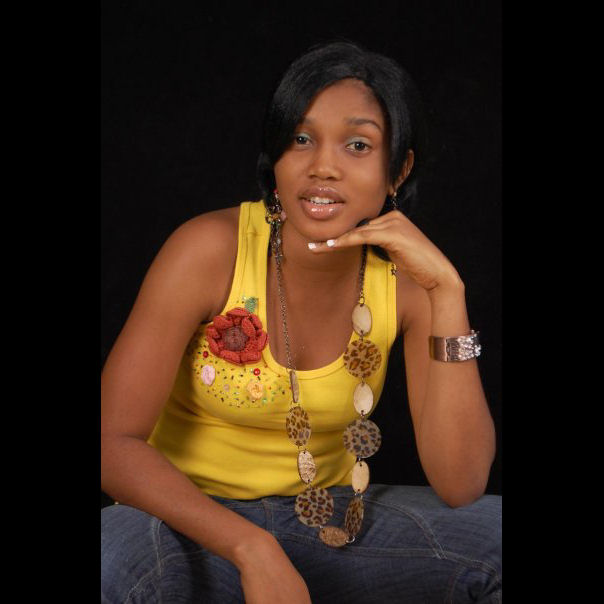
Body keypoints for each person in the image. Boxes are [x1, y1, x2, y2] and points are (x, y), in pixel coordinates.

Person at [101, 40, 501, 603]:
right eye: (301, 139)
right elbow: (111, 442)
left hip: (328, 521)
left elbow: (461, 484)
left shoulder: (407, 284)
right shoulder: (208, 249)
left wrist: (447, 292)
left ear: (398, 170)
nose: (322, 167)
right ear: (276, 157)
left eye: (358, 145)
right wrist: (251, 548)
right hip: (180, 524)